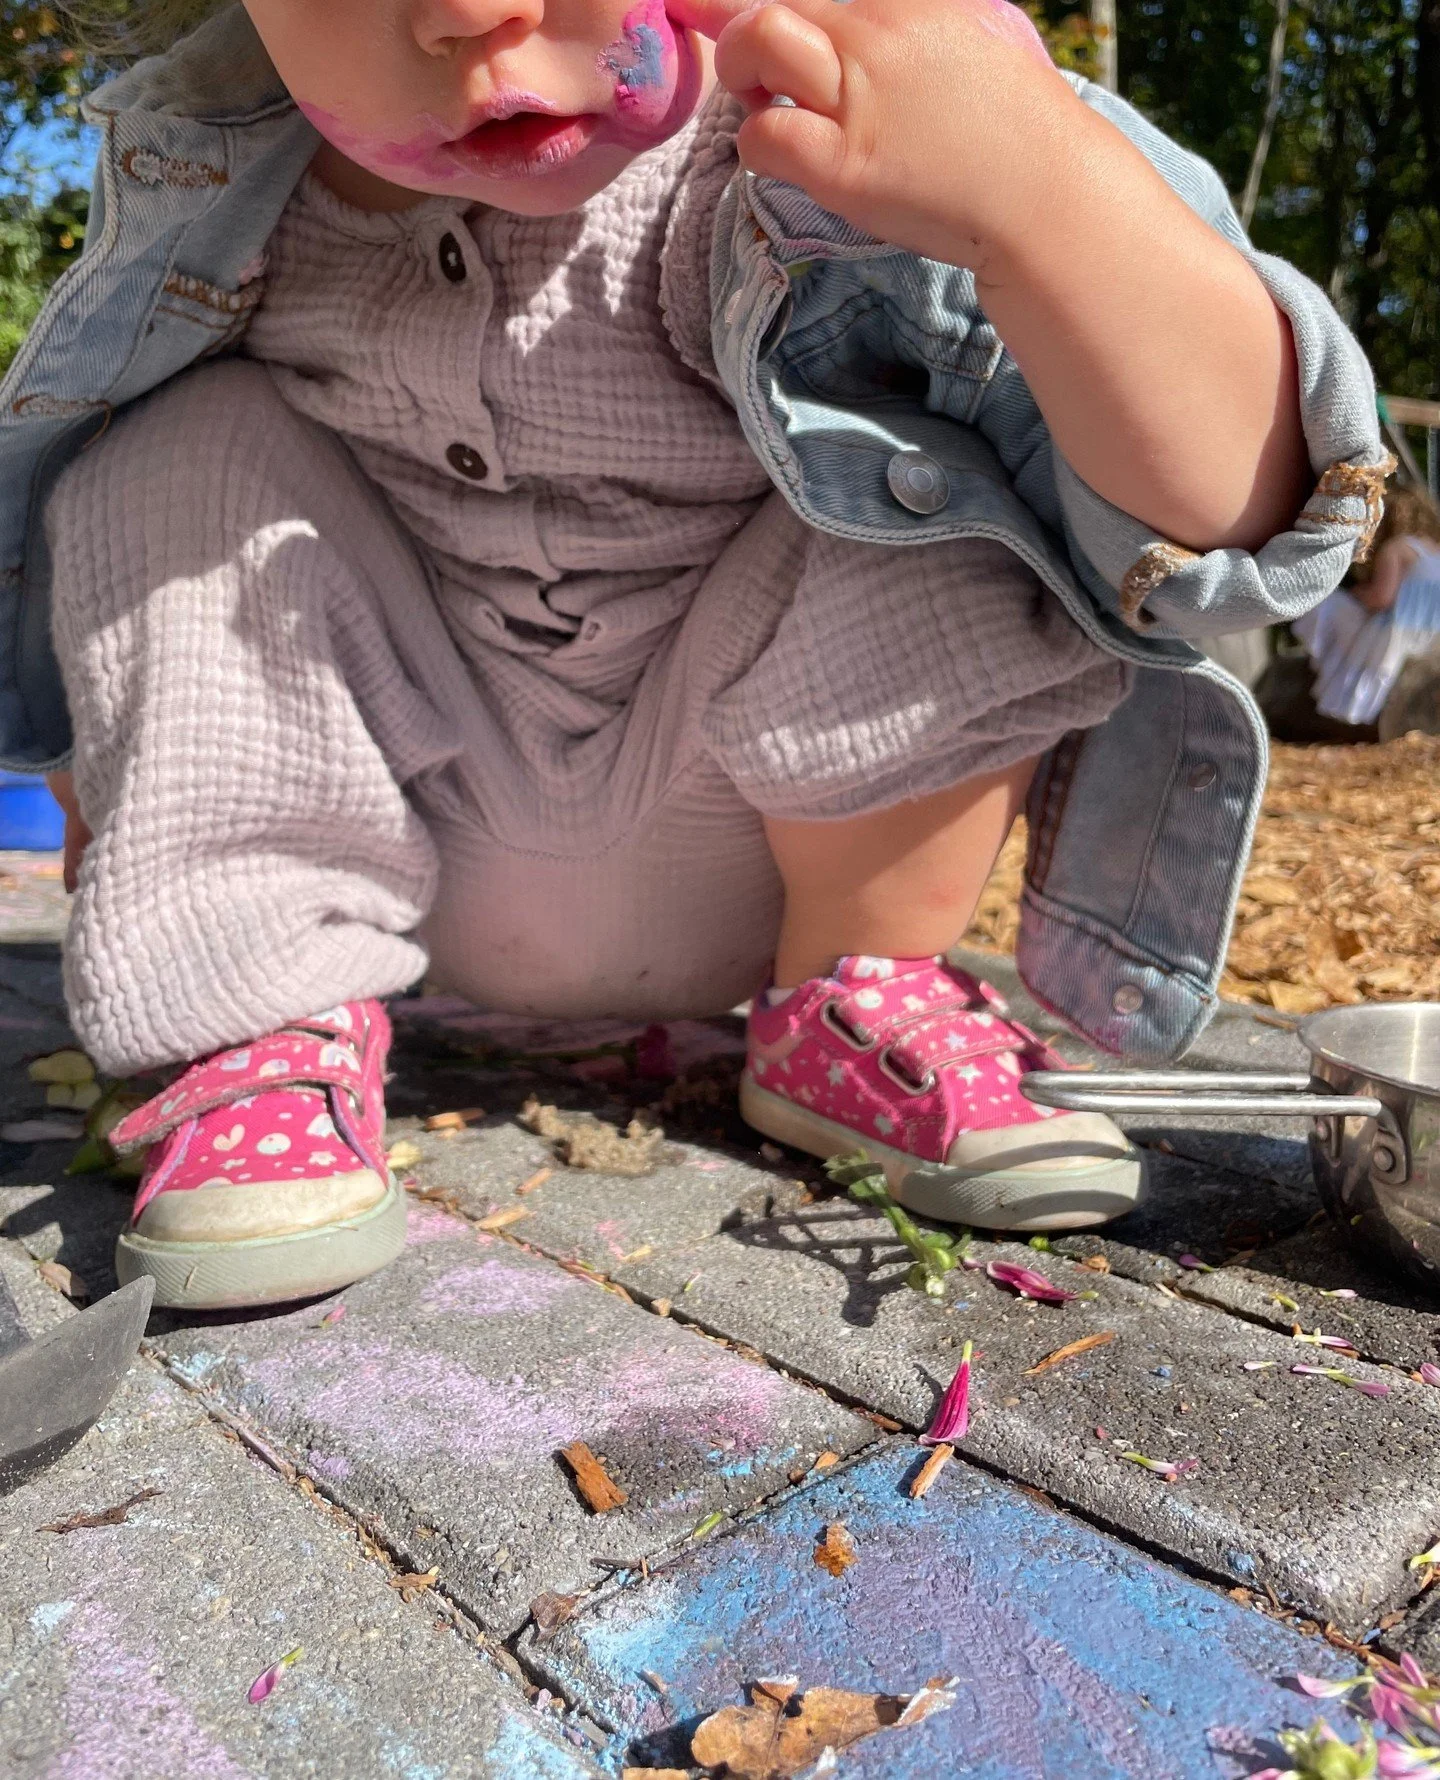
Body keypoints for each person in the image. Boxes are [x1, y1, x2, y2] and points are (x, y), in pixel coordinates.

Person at [0, 0, 1385, 1309]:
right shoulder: (225, 201)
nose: (470, 10)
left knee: (930, 474)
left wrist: (1037, 198)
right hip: (400, 856)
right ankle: (257, 1020)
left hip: (778, 852)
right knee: (162, 459)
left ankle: (858, 992)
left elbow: (1243, 540)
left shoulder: (837, 153)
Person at [1293, 485, 1440, 729]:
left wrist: (1359, 593)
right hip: (1431, 634)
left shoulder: (1397, 548)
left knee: (1327, 604)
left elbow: (1382, 599)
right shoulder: (1434, 551)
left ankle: (1326, 672)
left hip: (1397, 635)